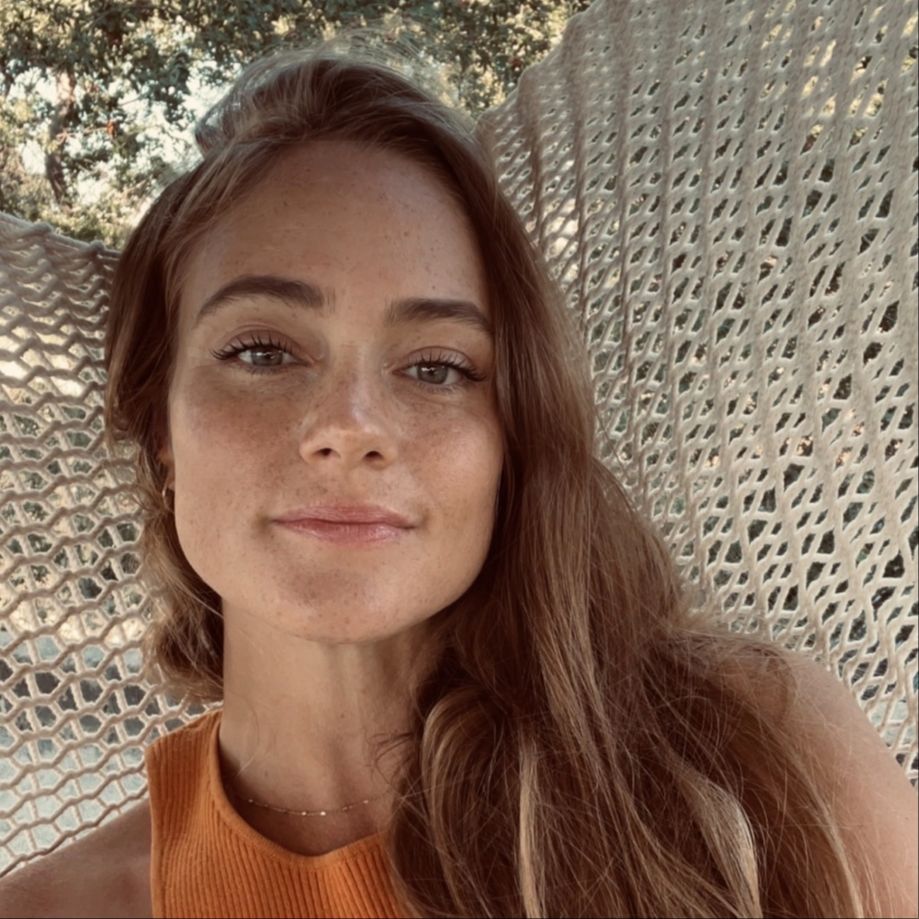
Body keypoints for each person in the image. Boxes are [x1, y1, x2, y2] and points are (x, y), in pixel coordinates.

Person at [1, 23, 916, 919]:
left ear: (512, 431)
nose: (349, 426)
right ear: (159, 428)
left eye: (436, 367)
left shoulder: (757, 761)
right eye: (262, 352)